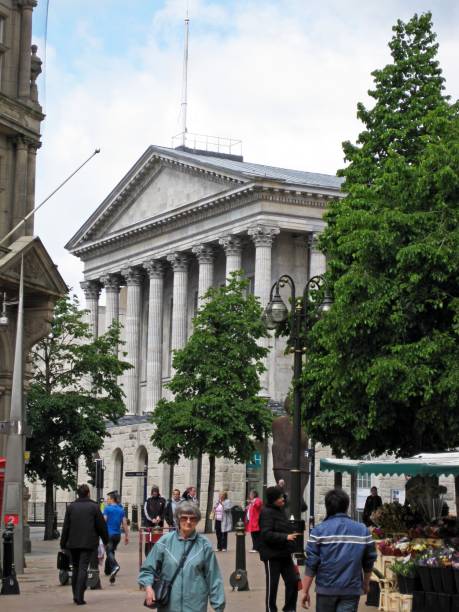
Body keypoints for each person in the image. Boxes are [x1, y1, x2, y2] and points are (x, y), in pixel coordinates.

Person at [138, 501, 225, 611]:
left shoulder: (204, 545)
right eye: (184, 518)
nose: (188, 522)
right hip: (169, 606)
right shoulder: (165, 542)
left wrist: (219, 607)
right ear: (178, 519)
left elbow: (214, 578)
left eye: (192, 518)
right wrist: (148, 587)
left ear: (197, 521)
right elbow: (147, 569)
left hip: (195, 606)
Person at [302, 488, 377, 611]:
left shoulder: (318, 531)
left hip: (325, 589)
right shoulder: (363, 530)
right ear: (346, 506)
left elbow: (311, 563)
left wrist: (305, 591)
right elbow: (369, 560)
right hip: (351, 589)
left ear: (328, 507)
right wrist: (366, 583)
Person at [60, 483, 108, 606]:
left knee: (75, 567)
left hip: (73, 543)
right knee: (83, 568)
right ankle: (79, 596)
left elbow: (66, 527)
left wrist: (63, 543)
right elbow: (101, 526)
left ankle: (75, 594)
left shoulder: (71, 507)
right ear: (88, 493)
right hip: (88, 542)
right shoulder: (94, 507)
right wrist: (106, 540)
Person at [258, 485, 298, 612]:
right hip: (272, 555)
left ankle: (289, 609)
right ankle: (271, 609)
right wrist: (286, 537)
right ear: (273, 499)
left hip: (284, 554)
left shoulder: (281, 509)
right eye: (280, 497)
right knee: (272, 586)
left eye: (282, 497)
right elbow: (266, 534)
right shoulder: (266, 512)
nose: (283, 499)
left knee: (292, 581)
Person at [103, 492, 129, 583]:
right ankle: (108, 570)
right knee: (111, 551)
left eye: (108, 499)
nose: (107, 500)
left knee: (109, 551)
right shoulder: (121, 510)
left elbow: (104, 521)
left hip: (109, 534)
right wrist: (126, 536)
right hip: (117, 535)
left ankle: (115, 566)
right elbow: (124, 524)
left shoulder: (107, 509)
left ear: (112, 499)